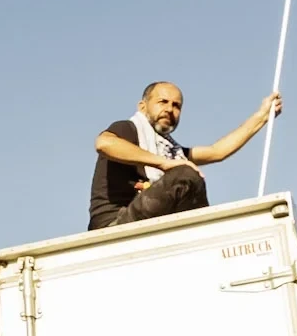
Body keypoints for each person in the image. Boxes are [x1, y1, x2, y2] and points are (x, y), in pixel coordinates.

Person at [89, 82, 281, 230]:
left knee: (188, 176)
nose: (169, 109)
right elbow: (104, 143)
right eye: (162, 102)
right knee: (186, 174)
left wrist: (262, 116)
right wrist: (165, 164)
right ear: (142, 106)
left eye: (176, 106)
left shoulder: (172, 150)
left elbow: (217, 151)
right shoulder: (128, 129)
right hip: (115, 222)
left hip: (150, 221)